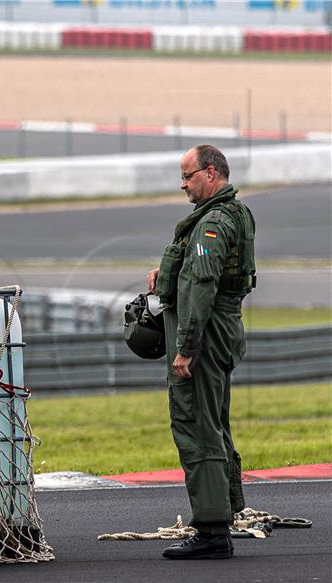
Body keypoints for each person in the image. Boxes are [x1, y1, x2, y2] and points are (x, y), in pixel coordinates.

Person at [147, 145, 256, 560]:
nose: (183, 184)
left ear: (210, 174)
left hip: (205, 337)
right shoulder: (234, 214)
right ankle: (221, 514)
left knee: (198, 426)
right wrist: (166, 275)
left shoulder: (212, 222)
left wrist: (185, 349)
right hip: (220, 331)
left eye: (188, 175)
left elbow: (202, 287)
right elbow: (196, 275)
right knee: (213, 423)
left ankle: (212, 531)